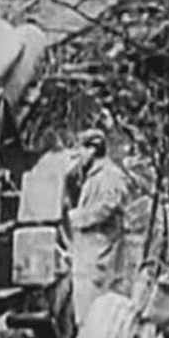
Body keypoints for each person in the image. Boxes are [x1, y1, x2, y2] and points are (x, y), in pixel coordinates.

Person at [65, 128, 130, 327]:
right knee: (85, 308)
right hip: (88, 252)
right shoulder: (93, 175)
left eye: (82, 150)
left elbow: (109, 206)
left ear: (93, 150)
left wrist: (77, 217)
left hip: (101, 253)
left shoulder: (111, 175)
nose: (79, 156)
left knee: (98, 308)